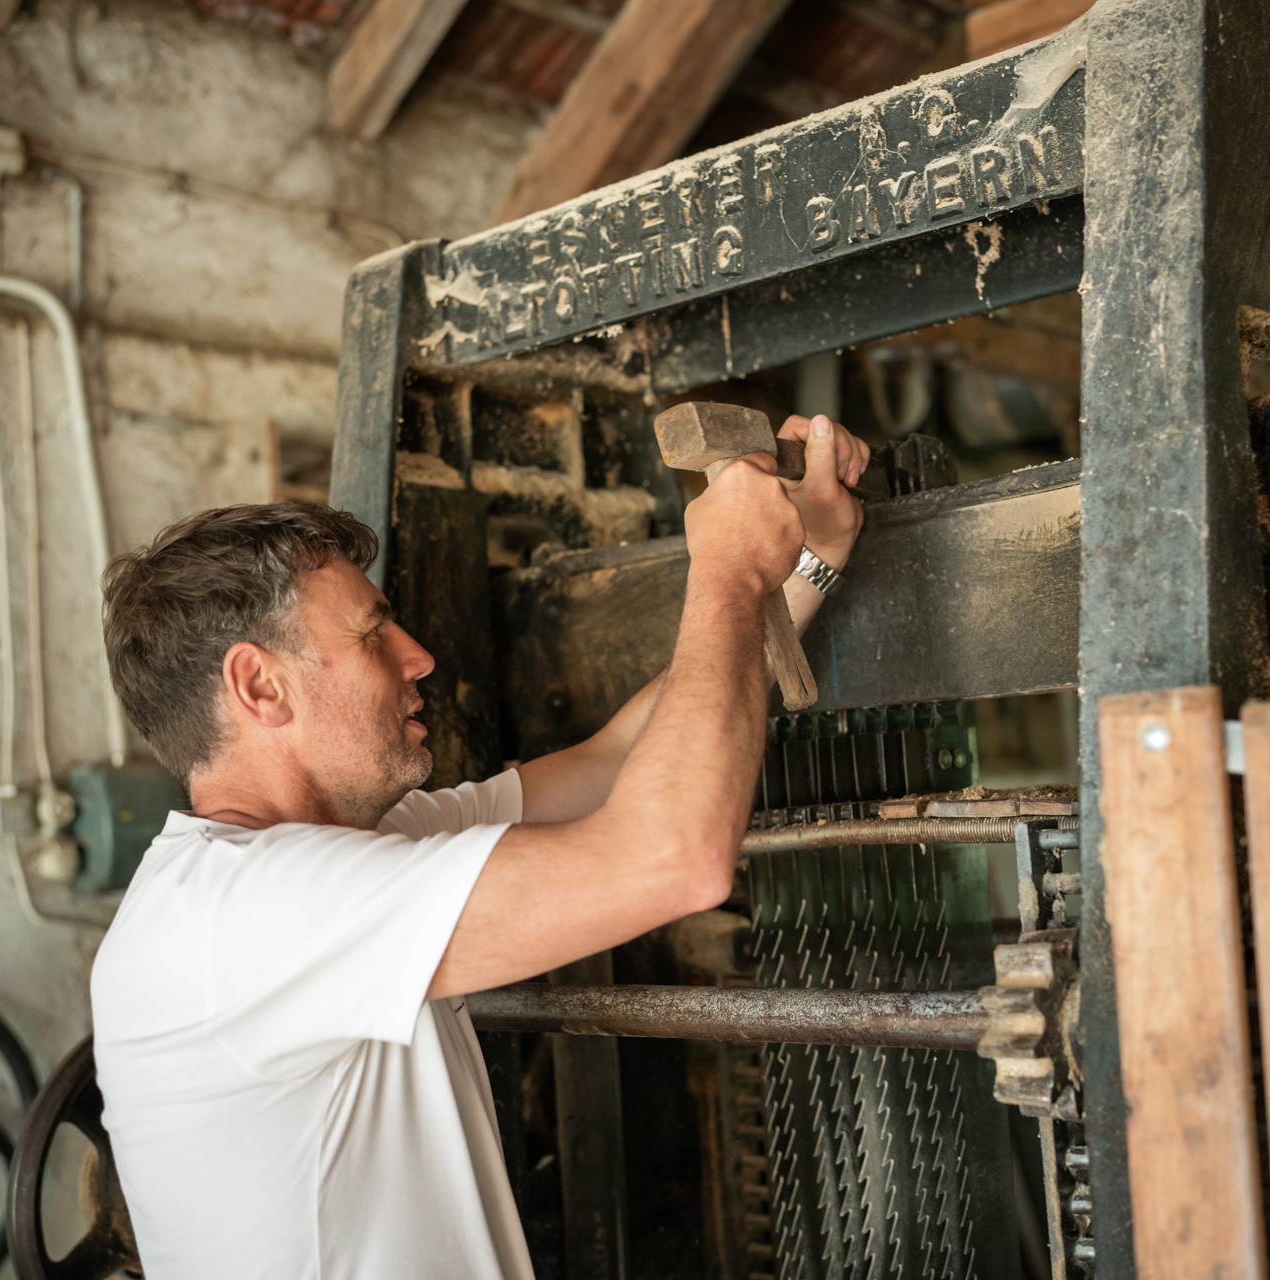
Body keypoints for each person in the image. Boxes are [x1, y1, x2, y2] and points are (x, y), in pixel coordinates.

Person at [88, 412, 869, 1280]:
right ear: (261, 686)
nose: (418, 657)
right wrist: (723, 572)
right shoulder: (241, 915)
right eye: (372, 633)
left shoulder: (354, 854)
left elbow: (620, 762)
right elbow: (672, 857)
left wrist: (810, 558)